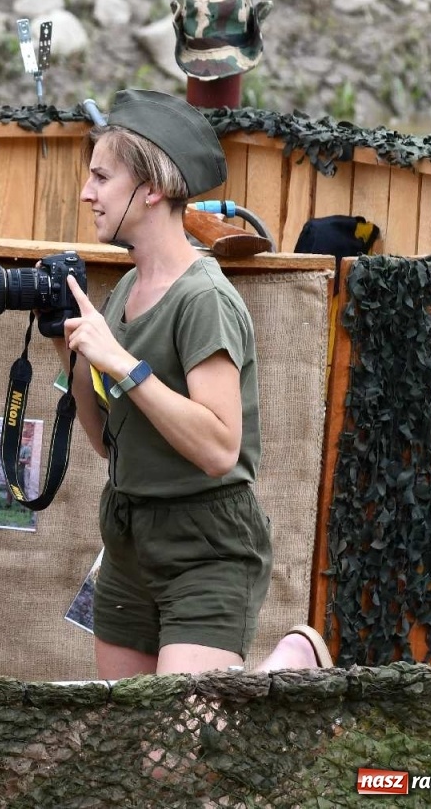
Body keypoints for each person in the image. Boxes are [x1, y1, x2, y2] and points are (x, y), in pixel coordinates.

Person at [58, 88, 331, 677]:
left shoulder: (204, 299)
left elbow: (216, 448)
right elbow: (109, 442)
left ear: (150, 187)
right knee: (126, 744)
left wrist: (123, 364)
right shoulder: (126, 292)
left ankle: (286, 668)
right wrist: (74, 352)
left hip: (206, 543)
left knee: (173, 755)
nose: (87, 193)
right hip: (130, 532)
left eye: (102, 177)